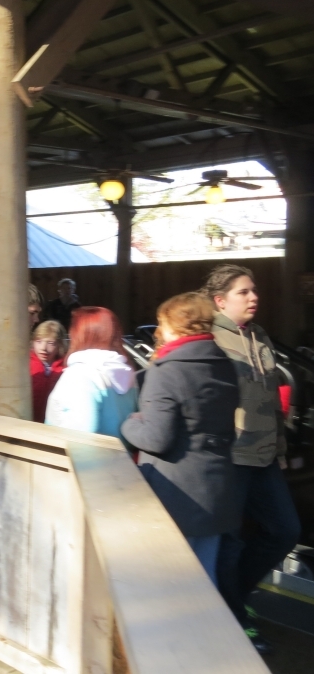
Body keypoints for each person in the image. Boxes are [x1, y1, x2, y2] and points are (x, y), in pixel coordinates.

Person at [204, 265, 300, 653]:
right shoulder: (210, 339)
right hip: (230, 457)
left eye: (254, 290)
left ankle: (232, 597)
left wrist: (279, 450)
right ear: (220, 300)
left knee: (284, 531)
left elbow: (271, 400)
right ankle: (233, 616)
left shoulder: (258, 336)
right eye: (244, 292)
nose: (253, 296)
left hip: (263, 457)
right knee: (230, 544)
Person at [120, 293, 240, 586]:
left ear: (175, 325)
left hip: (175, 494)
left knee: (171, 587)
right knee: (205, 582)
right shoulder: (224, 364)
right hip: (218, 488)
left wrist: (129, 424)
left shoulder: (167, 371)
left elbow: (155, 438)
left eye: (163, 323)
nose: (160, 330)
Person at [45, 307, 137, 437]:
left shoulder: (81, 375)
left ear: (79, 334)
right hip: (120, 456)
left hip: (71, 455)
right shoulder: (126, 372)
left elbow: (82, 434)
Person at [30, 320, 65, 423]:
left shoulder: (65, 369)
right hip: (28, 424)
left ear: (60, 344)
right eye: (38, 341)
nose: (43, 348)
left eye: (51, 343)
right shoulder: (25, 365)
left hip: (53, 425)